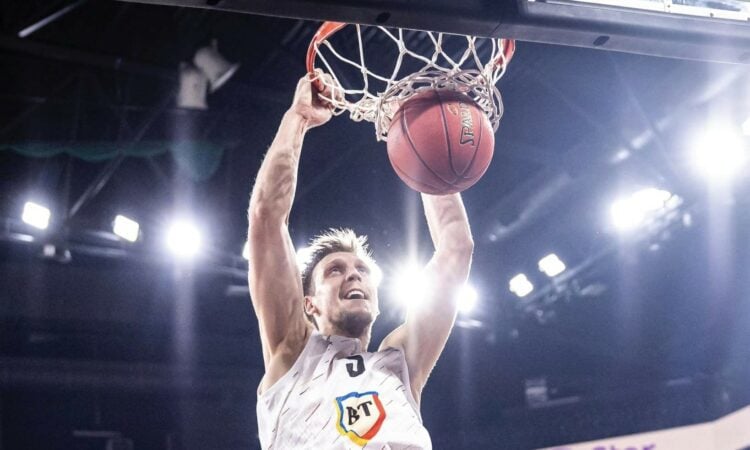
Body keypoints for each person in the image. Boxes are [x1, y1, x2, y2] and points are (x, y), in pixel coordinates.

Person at [247, 71, 474, 449]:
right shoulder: (292, 353)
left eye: (362, 270)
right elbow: (266, 217)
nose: (353, 276)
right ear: (309, 303)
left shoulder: (400, 363)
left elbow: (456, 248)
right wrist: (298, 118)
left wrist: (421, 149)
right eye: (335, 270)